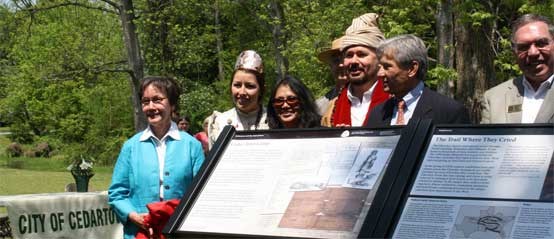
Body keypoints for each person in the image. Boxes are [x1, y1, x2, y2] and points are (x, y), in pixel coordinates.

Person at [108, 76, 205, 239]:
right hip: (139, 234)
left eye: (157, 100)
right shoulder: (131, 146)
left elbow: (201, 193)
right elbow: (117, 193)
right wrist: (133, 215)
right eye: (146, 101)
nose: (151, 107)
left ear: (172, 104)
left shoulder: (191, 145)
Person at [366, 34, 470, 126]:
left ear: (412, 69)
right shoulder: (378, 113)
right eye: (380, 67)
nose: (380, 74)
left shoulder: (449, 112)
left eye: (387, 67)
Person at [481, 14, 554, 124]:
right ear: (514, 53)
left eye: (541, 43)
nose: (533, 53)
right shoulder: (494, 98)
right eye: (523, 47)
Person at [321, 13, 390, 127]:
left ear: (379, 58)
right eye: (349, 55)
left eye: (361, 54)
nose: (354, 61)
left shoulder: (397, 100)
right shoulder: (333, 108)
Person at [206, 50, 269, 148]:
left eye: (250, 86)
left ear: (261, 89)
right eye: (237, 85)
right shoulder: (219, 122)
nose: (242, 92)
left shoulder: (273, 120)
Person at [315, 36, 348, 115]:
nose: (341, 65)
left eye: (345, 59)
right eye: (336, 61)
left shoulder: (370, 100)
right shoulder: (319, 107)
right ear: (330, 66)